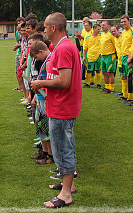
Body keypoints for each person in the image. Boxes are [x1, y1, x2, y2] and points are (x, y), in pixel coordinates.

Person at [31, 12, 82, 208]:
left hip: (63, 107)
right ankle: (68, 184)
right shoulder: (61, 47)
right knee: (62, 147)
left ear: (53, 28)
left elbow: (64, 81)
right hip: (59, 106)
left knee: (62, 149)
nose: (43, 31)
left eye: (45, 27)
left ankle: (66, 194)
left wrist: (40, 83)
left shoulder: (64, 48)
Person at [29, 40, 53, 165]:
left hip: (45, 100)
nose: (37, 59)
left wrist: (40, 88)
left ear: (41, 52)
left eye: (37, 57)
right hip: (40, 99)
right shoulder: (45, 60)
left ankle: (50, 155)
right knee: (41, 128)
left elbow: (50, 84)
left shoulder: (49, 62)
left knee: (45, 128)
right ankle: (44, 152)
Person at [117, 15, 133, 103]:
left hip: (129, 57)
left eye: (124, 21)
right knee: (123, 76)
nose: (123, 23)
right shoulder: (123, 32)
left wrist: (130, 57)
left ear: (129, 21)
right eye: (122, 22)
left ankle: (130, 97)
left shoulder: (132, 31)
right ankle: (125, 95)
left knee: (129, 77)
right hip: (122, 57)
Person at [82, 24, 102, 89]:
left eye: (100, 29)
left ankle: (98, 84)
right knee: (89, 70)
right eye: (98, 29)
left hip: (98, 57)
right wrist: (84, 56)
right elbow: (85, 48)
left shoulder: (100, 37)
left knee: (98, 70)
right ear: (94, 29)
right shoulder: (87, 37)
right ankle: (88, 83)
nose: (99, 30)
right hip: (90, 56)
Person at [100, 20, 117, 93]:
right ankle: (107, 87)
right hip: (103, 56)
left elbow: (115, 45)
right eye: (101, 25)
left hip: (110, 56)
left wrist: (116, 55)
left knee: (110, 72)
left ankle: (111, 88)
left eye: (104, 25)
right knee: (104, 72)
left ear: (108, 26)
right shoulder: (102, 34)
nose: (102, 26)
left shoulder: (111, 35)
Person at [13, 17, 26, 91]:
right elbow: (17, 41)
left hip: (24, 55)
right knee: (17, 71)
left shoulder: (26, 35)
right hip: (19, 53)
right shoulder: (18, 32)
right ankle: (20, 87)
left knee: (24, 74)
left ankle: (28, 95)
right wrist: (16, 46)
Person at [110, 26, 123, 96]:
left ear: (118, 30)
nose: (113, 33)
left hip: (125, 59)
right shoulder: (115, 39)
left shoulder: (122, 38)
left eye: (114, 31)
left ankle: (128, 93)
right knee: (122, 76)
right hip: (120, 60)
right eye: (112, 31)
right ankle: (124, 91)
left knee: (127, 77)